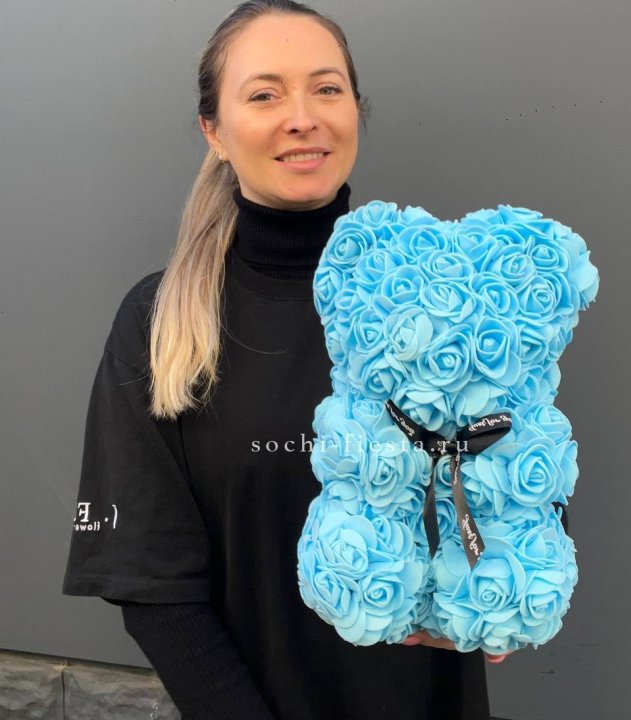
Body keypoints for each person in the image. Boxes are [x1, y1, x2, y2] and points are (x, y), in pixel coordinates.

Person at [62, 2, 519, 718]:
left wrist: (512, 571)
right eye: (265, 95)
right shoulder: (162, 322)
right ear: (214, 131)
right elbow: (154, 587)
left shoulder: (441, 302)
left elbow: (515, 477)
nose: (302, 118)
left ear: (356, 111)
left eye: (326, 88)